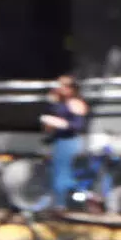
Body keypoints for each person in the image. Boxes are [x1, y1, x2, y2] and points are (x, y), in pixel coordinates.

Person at [38, 74, 88, 210]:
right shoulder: (58, 103)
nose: (59, 88)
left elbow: (78, 125)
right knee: (56, 171)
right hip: (58, 140)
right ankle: (57, 202)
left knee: (64, 172)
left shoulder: (75, 103)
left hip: (69, 141)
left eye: (64, 86)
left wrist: (61, 124)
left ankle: (65, 203)